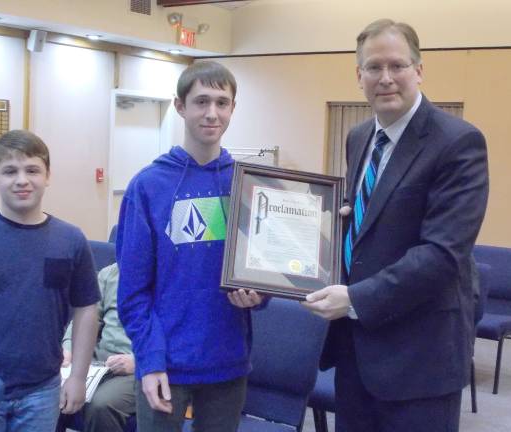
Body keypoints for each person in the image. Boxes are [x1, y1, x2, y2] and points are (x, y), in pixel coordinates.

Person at [303, 19, 489, 432]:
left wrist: (353, 298)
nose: (385, 78)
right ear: (359, 76)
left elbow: (441, 255)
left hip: (419, 358)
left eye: (397, 66)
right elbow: (367, 216)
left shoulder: (458, 142)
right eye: (373, 67)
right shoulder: (359, 136)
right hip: (356, 350)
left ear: (419, 70)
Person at [116, 61, 264, 432]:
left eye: (221, 102)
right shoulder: (147, 186)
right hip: (165, 364)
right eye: (200, 102)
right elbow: (132, 291)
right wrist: (149, 361)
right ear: (180, 106)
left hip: (228, 361)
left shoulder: (249, 186)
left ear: (232, 108)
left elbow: (262, 272)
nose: (211, 113)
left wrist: (259, 295)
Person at [0, 130, 100, 432]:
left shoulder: (70, 240)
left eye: (32, 170)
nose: (21, 180)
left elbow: (87, 309)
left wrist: (78, 377)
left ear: (48, 176)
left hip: (41, 391)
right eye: (9, 171)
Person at [62, 263, 135, 432]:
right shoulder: (110, 273)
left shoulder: (169, 278)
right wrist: (69, 349)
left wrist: (139, 361)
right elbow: (87, 316)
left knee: (100, 405)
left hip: (138, 366)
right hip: (100, 363)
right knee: (52, 389)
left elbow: (180, 337)